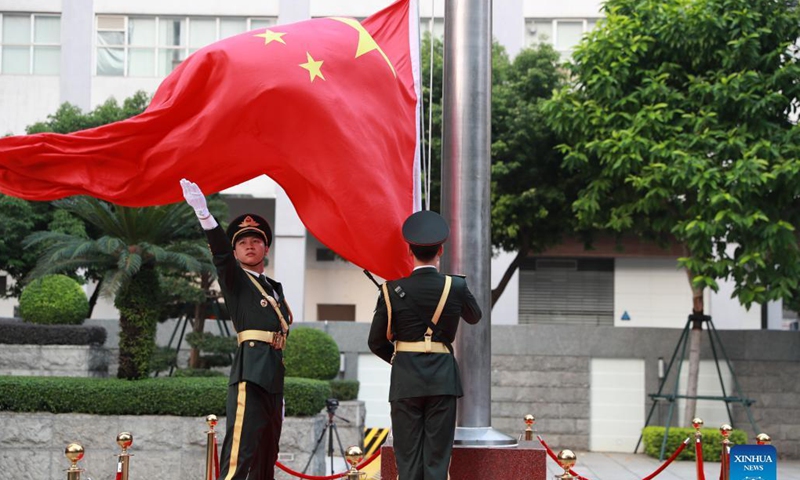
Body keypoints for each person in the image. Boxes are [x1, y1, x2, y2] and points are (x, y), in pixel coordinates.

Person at [180, 178, 291, 480]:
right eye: (242, 242)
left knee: (266, 457)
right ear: (236, 251)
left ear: (266, 247)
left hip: (272, 377)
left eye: (255, 241)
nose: (250, 246)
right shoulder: (235, 279)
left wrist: (278, 394)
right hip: (250, 374)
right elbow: (220, 254)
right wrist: (204, 215)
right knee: (239, 454)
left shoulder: (274, 288)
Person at [368, 210, 482, 480]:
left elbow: (375, 342)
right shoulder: (455, 286)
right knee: (437, 458)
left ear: (410, 251)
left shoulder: (390, 290)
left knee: (407, 457)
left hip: (406, 379)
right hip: (442, 378)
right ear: (440, 250)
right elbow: (474, 316)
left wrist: (401, 358)